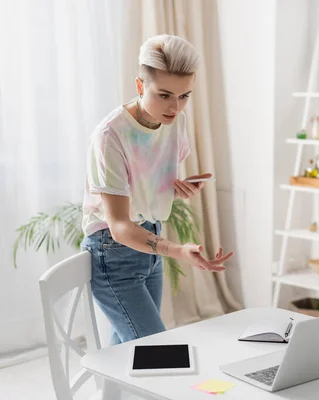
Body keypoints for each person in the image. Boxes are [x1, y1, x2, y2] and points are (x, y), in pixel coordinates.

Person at [80, 34, 233, 345]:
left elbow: (144, 189)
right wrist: (178, 251)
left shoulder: (175, 122)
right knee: (155, 349)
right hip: (113, 252)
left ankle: (113, 395)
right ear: (140, 86)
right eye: (164, 95)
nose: (174, 107)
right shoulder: (110, 136)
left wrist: (177, 190)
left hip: (149, 243)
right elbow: (120, 226)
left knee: (126, 351)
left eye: (184, 96)